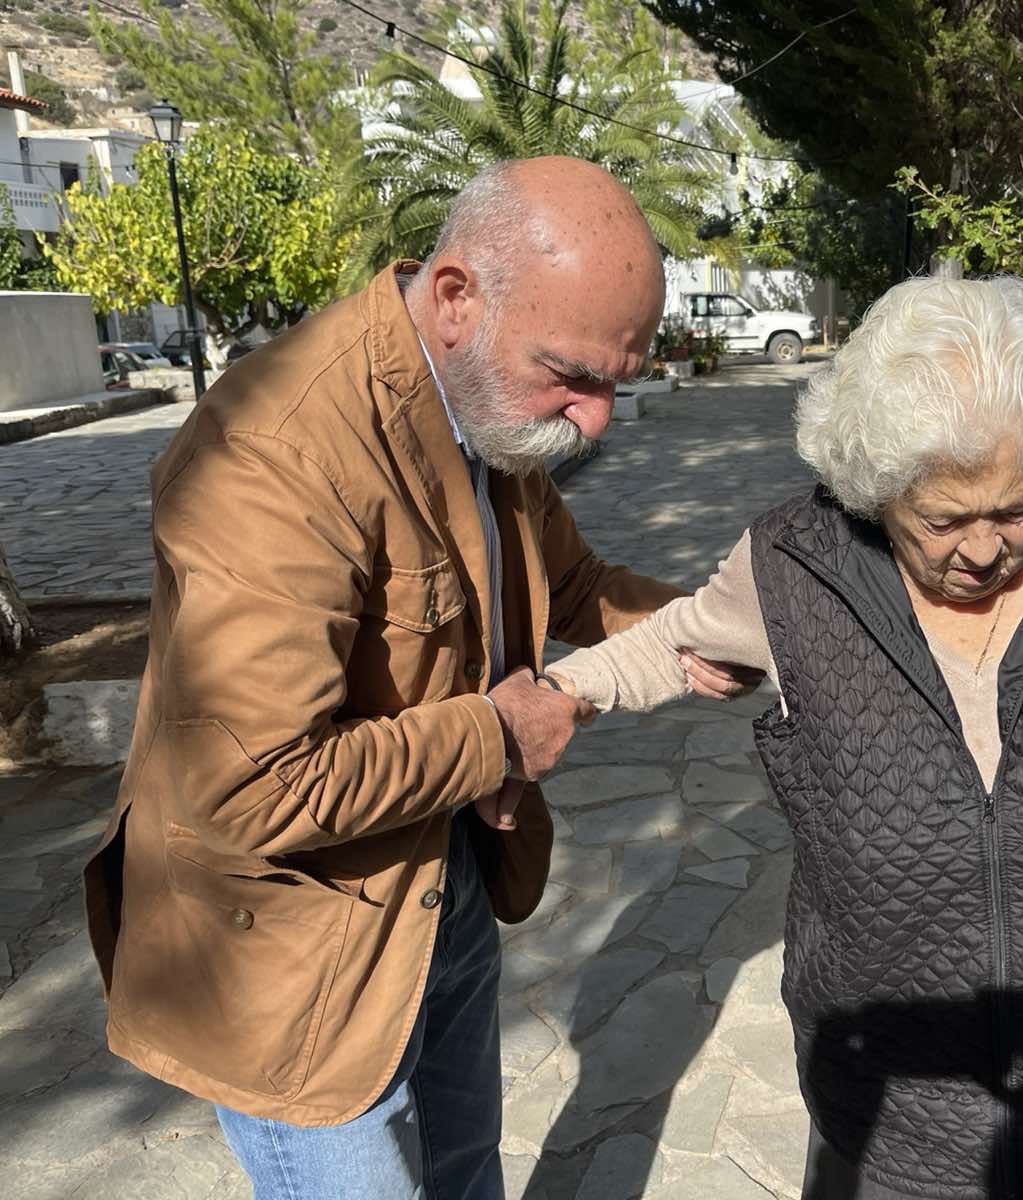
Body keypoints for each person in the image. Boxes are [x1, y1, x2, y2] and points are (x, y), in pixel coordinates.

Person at [81, 157, 749, 1199]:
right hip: (295, 965)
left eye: (616, 383)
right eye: (573, 375)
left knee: (465, 1175)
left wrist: (714, 628)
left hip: (444, 883)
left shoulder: (484, 399)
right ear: (455, 298)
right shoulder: (279, 450)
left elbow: (571, 584)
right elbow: (252, 787)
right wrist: (500, 735)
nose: (595, 421)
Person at [547, 275, 1023, 1198]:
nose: (983, 550)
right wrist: (559, 694)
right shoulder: (794, 565)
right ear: (874, 488)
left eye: (1015, 509)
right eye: (943, 519)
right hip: (891, 1115)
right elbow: (673, 640)